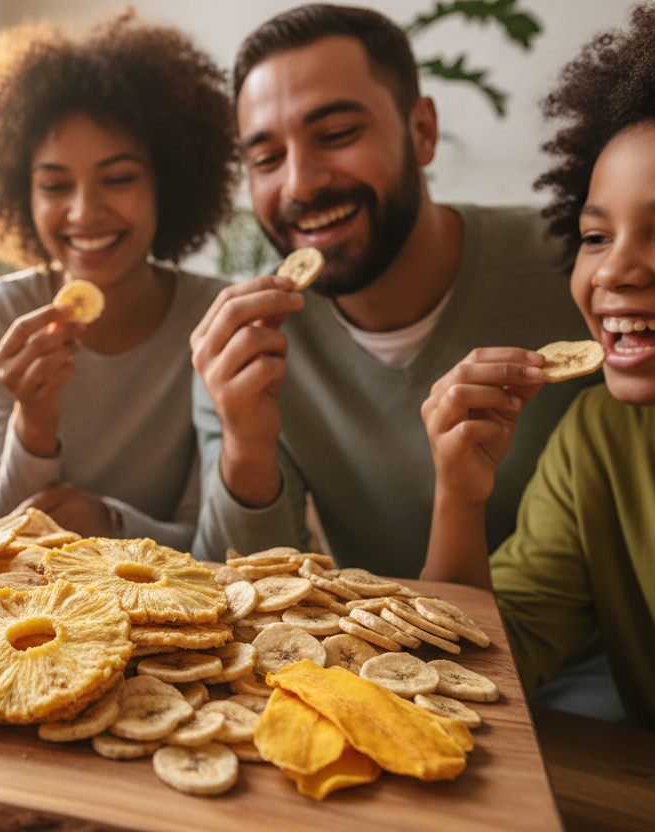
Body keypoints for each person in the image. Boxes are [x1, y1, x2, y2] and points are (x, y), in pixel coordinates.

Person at [191, 4, 596, 574]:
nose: (299, 183)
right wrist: (246, 447)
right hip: (387, 661)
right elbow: (250, 598)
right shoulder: (242, 350)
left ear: (422, 131)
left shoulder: (580, 266)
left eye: (336, 134)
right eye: (266, 158)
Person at [422, 1, 655, 734]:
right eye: (595, 236)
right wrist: (460, 497)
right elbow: (472, 671)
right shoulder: (598, 440)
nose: (614, 271)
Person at [0, 10, 238, 550]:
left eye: (119, 179)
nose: (85, 212)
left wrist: (109, 523)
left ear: (167, 182)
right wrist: (34, 421)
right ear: (21, 193)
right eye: (56, 185)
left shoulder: (215, 316)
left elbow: (214, 541)